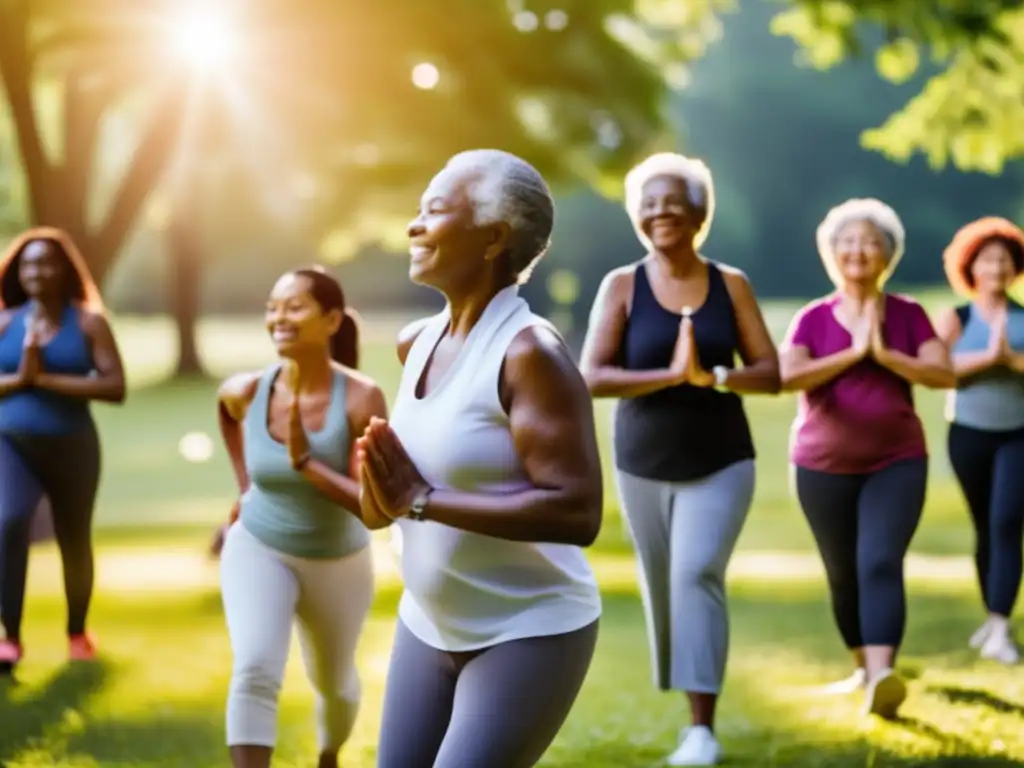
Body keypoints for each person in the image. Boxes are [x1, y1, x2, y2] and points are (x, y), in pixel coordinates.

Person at [357, 149, 603, 768]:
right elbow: (384, 513)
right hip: (428, 624)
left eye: (435, 211)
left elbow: (576, 511)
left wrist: (422, 500)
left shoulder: (530, 355)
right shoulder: (416, 340)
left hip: (527, 630)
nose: (414, 225)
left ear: (494, 237)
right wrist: (375, 472)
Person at [579, 153, 779, 766]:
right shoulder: (622, 285)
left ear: (699, 213)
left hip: (721, 461)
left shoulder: (731, 284)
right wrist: (667, 377)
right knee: (663, 587)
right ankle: (688, 702)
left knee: (696, 575)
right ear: (638, 217)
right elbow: (592, 375)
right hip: (642, 462)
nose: (660, 211)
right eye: (649, 203)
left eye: (673, 201)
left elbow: (770, 373)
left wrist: (713, 376)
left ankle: (702, 730)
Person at [779, 198, 954, 719]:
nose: (858, 250)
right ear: (832, 253)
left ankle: (882, 676)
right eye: (848, 242)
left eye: (870, 241)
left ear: (887, 255)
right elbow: (785, 377)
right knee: (842, 572)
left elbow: (943, 374)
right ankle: (862, 667)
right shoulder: (812, 318)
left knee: (879, 561)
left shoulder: (908, 315)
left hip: (896, 461)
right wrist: (852, 355)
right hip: (820, 465)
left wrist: (885, 356)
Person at [215, 266, 390, 768]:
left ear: (332, 319)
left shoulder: (361, 398)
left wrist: (307, 465)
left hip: (338, 558)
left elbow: (372, 504)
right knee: (254, 669)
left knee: (335, 685)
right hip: (258, 544)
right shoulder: (249, 389)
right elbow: (226, 412)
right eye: (273, 307)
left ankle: (329, 755)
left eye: (294, 307)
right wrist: (245, 487)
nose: (279, 318)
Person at [0, 227, 126, 670]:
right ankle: (10, 637)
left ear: (64, 270)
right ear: (19, 272)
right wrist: (20, 380)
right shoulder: (4, 322)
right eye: (29, 264)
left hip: (73, 447)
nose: (38, 271)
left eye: (47, 263)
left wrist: (44, 379)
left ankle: (76, 632)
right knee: (9, 522)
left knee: (74, 539)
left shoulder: (90, 322)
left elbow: (115, 386)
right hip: (12, 444)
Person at [934, 217, 1024, 664]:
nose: (996, 268)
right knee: (985, 526)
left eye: (1004, 260)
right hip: (968, 435)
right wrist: (987, 358)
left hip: (1018, 435)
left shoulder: (1023, 317)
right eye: (988, 260)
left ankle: (1001, 627)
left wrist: (1011, 359)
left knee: (1008, 520)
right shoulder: (956, 317)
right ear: (972, 267)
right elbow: (935, 370)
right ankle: (992, 620)